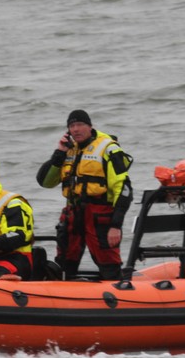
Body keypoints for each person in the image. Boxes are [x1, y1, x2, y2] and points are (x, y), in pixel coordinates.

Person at [36, 109, 133, 280]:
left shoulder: (108, 149)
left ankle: (117, 287)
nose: (76, 129)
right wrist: (59, 153)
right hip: (73, 214)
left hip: (99, 215)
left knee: (108, 264)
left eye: (80, 124)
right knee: (64, 264)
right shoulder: (68, 150)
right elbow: (45, 182)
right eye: (72, 126)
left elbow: (124, 189)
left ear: (90, 126)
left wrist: (116, 225)